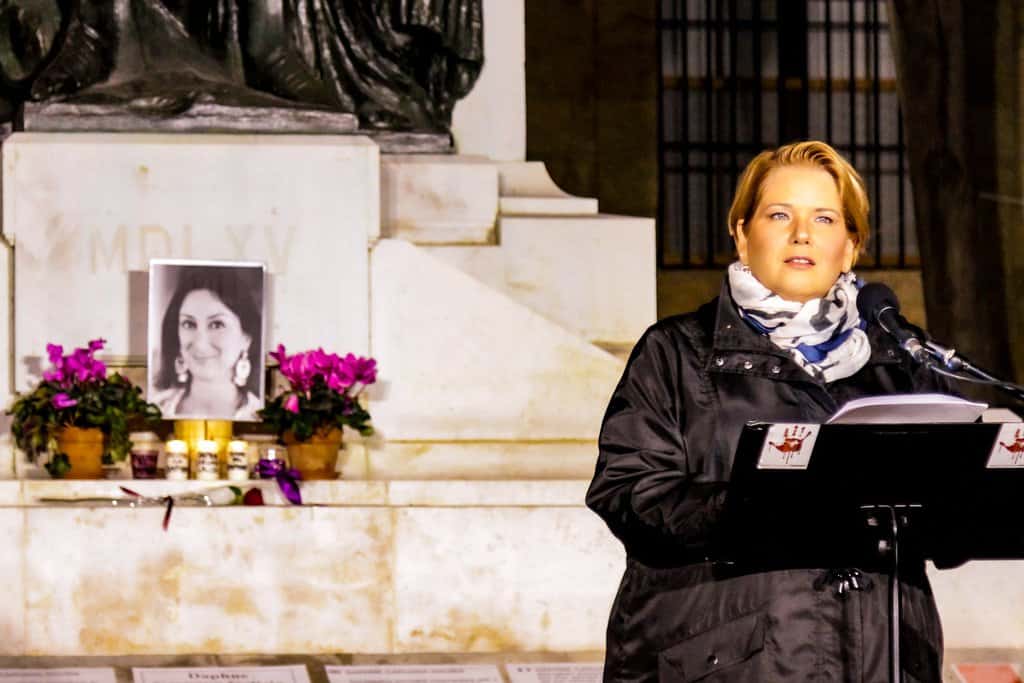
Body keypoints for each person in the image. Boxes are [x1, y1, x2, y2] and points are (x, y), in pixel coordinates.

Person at [586, 141, 948, 682]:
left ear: (850, 246)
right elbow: (627, 492)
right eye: (779, 215)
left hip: (883, 658)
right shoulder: (676, 352)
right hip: (728, 662)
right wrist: (757, 504)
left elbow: (951, 516)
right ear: (741, 233)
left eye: (824, 218)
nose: (802, 234)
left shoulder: (901, 358)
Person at [151, 267, 263, 420]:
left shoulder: (261, 417)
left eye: (217, 324)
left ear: (247, 338)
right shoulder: (154, 410)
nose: (200, 343)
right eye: (189, 324)